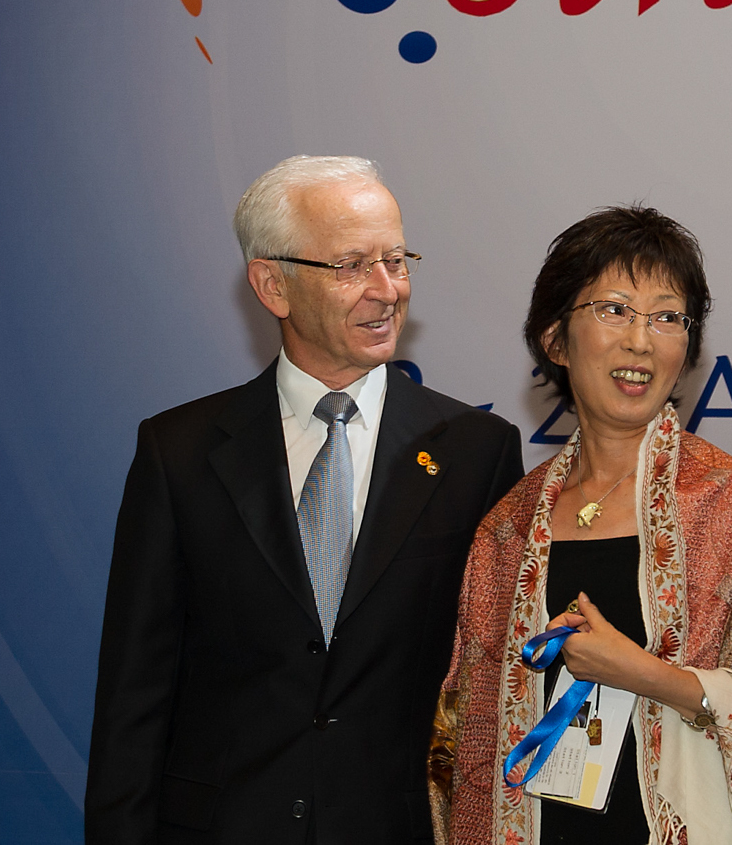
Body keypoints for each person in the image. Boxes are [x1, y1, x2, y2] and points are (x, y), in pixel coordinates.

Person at [88, 155, 524, 845]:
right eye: (352, 265)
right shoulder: (179, 452)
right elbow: (133, 697)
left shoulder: (477, 452)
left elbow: (495, 685)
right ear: (273, 285)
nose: (387, 290)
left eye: (396, 260)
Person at [431, 206, 732, 845]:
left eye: (668, 317)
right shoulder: (508, 528)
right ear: (556, 340)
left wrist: (651, 677)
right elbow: (467, 735)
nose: (641, 341)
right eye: (615, 310)